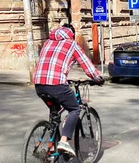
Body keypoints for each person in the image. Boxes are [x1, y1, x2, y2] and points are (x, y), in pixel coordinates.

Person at [34, 24, 105, 157]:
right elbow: (87, 65)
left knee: (55, 113)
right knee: (74, 109)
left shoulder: (48, 42)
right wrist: (98, 78)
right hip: (56, 84)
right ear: (71, 34)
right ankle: (63, 142)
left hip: (39, 84)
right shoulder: (71, 44)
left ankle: (51, 148)